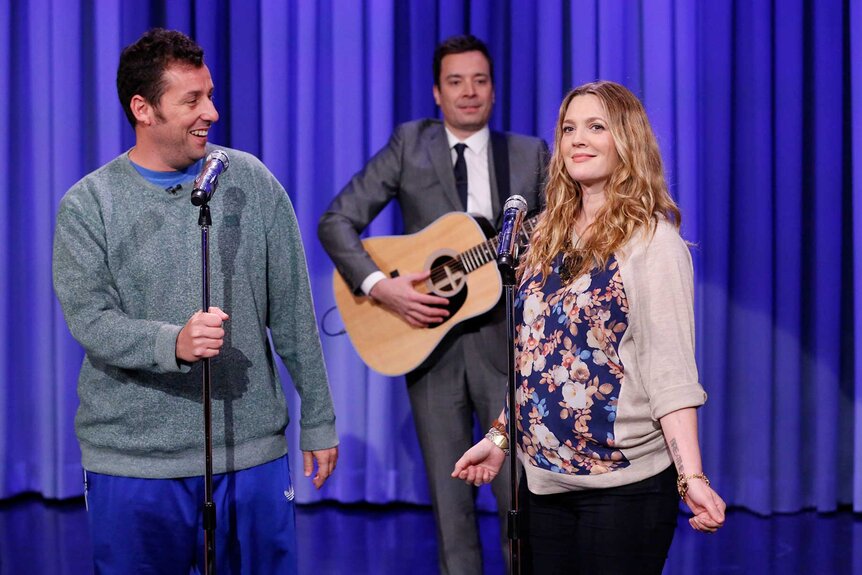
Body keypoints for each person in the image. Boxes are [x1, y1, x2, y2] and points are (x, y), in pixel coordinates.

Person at [52, 28, 338, 574]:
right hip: (132, 462)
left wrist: (319, 418)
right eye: (192, 100)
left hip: (249, 454)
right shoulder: (89, 205)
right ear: (144, 109)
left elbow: (296, 311)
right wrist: (173, 343)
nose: (211, 110)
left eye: (209, 94)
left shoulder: (250, 183)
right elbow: (91, 319)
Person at [452, 81, 726, 574]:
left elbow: (671, 374)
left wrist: (692, 478)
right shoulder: (543, 236)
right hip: (541, 486)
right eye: (568, 128)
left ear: (627, 140)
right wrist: (499, 438)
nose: (578, 138)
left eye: (595, 126)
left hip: (622, 494)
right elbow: (536, 359)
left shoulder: (652, 243)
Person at [318, 34, 547, 575]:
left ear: (494, 90)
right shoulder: (410, 144)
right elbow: (337, 221)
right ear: (436, 94)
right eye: (455, 81)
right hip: (428, 347)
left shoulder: (530, 155)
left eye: (480, 80)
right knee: (451, 504)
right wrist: (380, 286)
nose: (469, 92)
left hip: (508, 343)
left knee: (519, 495)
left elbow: (559, 231)